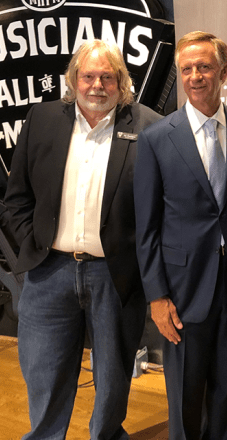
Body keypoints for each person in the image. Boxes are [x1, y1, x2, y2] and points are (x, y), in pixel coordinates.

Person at [5, 39, 161, 439]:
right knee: (43, 371)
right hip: (48, 271)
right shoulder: (41, 119)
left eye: (107, 77)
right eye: (88, 76)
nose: (96, 85)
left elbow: (161, 208)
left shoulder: (151, 126)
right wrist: (32, 243)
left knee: (112, 375)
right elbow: (16, 197)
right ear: (73, 80)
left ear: (122, 82)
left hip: (115, 275)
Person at [134, 31, 227, 440]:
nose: (195, 76)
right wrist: (156, 296)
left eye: (205, 66)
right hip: (181, 289)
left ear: (224, 71)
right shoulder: (157, 138)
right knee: (185, 393)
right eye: (187, 68)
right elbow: (147, 226)